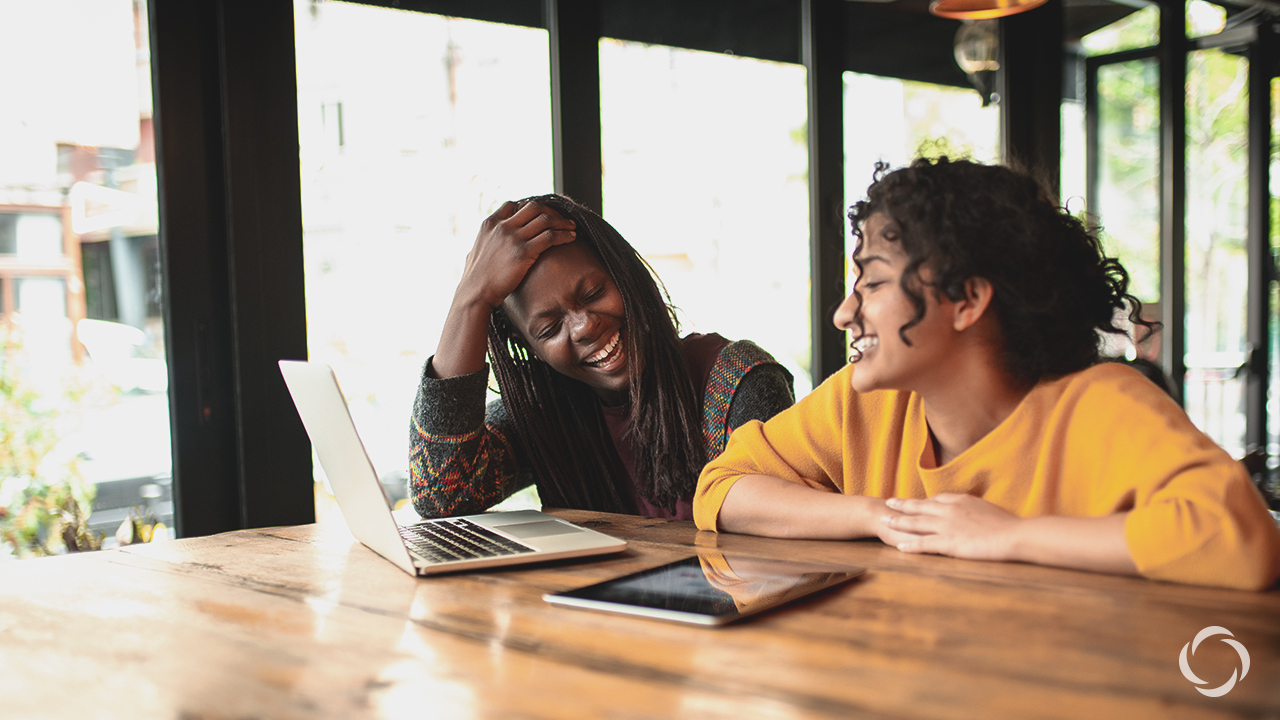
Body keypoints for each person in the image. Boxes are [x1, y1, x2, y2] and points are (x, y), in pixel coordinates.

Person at [694, 157, 1280, 590]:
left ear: (968, 300)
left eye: (871, 283)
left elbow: (1242, 543)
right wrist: (885, 516)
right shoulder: (866, 400)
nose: (845, 313)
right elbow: (721, 491)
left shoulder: (1101, 404)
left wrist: (1006, 536)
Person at [410, 194, 795, 521]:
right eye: (549, 329)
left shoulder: (736, 381)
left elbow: (776, 531)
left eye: (593, 293)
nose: (583, 327)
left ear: (624, 275)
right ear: (530, 349)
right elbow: (441, 494)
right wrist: (470, 299)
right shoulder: (545, 412)